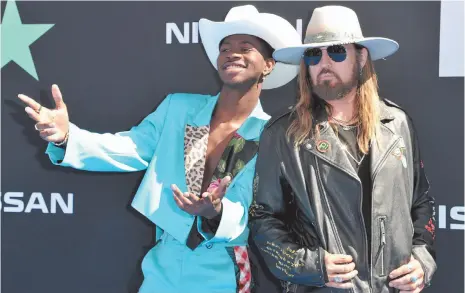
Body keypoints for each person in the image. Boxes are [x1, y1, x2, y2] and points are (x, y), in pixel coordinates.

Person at [17, 5, 301, 293]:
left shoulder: (272, 133)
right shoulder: (179, 109)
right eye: (225, 47)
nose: (232, 53)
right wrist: (67, 136)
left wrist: (215, 211)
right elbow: (130, 147)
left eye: (246, 47)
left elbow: (263, 209)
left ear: (268, 64)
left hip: (223, 265)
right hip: (163, 261)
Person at [249, 5, 436, 293]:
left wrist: (422, 261)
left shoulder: (398, 124)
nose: (323, 62)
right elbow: (263, 218)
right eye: (313, 55)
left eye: (336, 51)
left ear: (361, 58)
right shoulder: (283, 134)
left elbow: (421, 202)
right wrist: (308, 266)